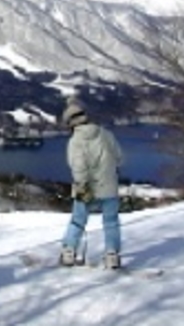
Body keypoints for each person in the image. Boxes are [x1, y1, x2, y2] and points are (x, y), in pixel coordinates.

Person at [60, 98, 124, 269]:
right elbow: (120, 159)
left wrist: (83, 187)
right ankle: (112, 255)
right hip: (110, 187)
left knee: (78, 221)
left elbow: (78, 167)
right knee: (111, 222)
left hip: (85, 187)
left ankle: (69, 253)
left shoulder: (75, 141)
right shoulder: (106, 134)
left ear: (71, 123)